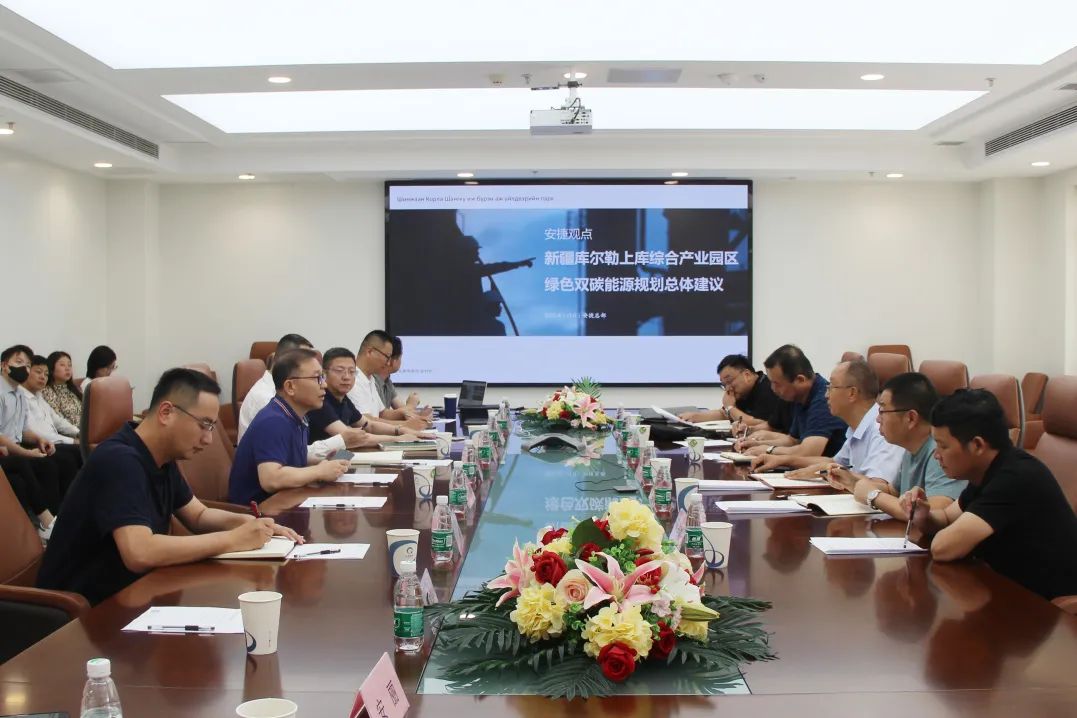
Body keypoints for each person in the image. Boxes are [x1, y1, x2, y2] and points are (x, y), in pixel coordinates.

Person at [36, 368, 302, 605]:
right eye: (204, 425)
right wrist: (233, 540)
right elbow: (139, 552)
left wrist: (251, 524)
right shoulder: (118, 460)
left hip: (135, 594)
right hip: (82, 614)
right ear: (166, 413)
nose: (208, 439)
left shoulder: (159, 456)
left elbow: (198, 515)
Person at [901, 389, 1077, 600]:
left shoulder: (1015, 478)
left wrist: (941, 533)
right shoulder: (987, 469)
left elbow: (943, 548)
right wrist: (924, 516)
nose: (936, 455)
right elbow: (947, 518)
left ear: (977, 445)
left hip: (1048, 606)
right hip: (1008, 590)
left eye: (943, 446)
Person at [228, 348, 350, 506]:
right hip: (259, 512)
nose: (324, 385)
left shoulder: (298, 416)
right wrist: (319, 471)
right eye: (317, 378)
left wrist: (327, 463)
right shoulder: (273, 421)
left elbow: (293, 459)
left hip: (286, 502)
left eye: (323, 377)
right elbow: (271, 479)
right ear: (290, 387)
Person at [751, 359, 903, 483]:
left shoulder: (881, 429)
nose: (826, 395)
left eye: (831, 387)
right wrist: (783, 460)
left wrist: (826, 471)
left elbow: (876, 485)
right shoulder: (856, 427)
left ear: (852, 393)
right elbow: (834, 462)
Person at [842, 373, 966, 519]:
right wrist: (852, 481)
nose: (877, 419)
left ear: (911, 418)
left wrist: (873, 496)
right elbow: (893, 492)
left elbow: (933, 512)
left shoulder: (939, 451)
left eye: (882, 411)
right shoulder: (911, 447)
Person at [1, 345, 80, 512]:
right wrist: (26, 452)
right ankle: (47, 519)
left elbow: (23, 430)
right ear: (4, 365)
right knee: (28, 464)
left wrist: (39, 440)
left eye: (27, 365)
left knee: (49, 465)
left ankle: (62, 514)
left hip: (15, 447)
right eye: (19, 362)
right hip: (8, 450)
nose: (24, 368)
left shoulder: (20, 394)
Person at [737, 344, 847, 458]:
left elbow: (808, 452)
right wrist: (756, 445)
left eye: (777, 384)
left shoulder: (823, 400)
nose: (773, 389)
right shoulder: (800, 397)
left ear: (800, 380)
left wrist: (768, 450)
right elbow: (793, 441)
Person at [309, 347, 424, 445]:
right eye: (339, 371)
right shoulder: (320, 401)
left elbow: (370, 425)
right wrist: (397, 439)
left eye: (352, 371)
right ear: (324, 374)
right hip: (321, 460)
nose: (346, 377)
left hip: (339, 455)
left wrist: (401, 430)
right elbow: (352, 438)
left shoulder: (343, 400)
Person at [679, 354, 792, 433]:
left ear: (747, 375)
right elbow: (725, 414)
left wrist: (730, 407)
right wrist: (694, 417)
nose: (728, 388)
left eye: (729, 381)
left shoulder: (769, 389)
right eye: (724, 385)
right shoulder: (742, 392)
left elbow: (761, 424)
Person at [350, 330, 429, 430]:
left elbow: (383, 414)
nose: (388, 363)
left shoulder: (370, 378)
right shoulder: (353, 380)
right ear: (370, 352)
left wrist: (415, 418)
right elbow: (366, 421)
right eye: (387, 357)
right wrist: (405, 425)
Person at [21, 355, 80, 445]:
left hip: (55, 442)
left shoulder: (39, 396)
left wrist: (78, 433)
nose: (43, 377)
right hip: (39, 445)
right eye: (38, 372)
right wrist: (73, 441)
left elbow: (58, 421)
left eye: (46, 374)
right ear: (26, 371)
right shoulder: (21, 398)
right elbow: (37, 434)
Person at [374, 336, 431, 423]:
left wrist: (420, 415)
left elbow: (402, 412)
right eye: (400, 357)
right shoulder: (373, 381)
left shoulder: (387, 381)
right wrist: (411, 405)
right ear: (391, 360)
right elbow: (382, 417)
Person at [42, 351, 83, 427]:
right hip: (70, 432)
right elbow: (58, 421)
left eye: (69, 365)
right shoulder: (47, 391)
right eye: (62, 365)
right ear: (51, 369)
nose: (67, 368)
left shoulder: (73, 389)